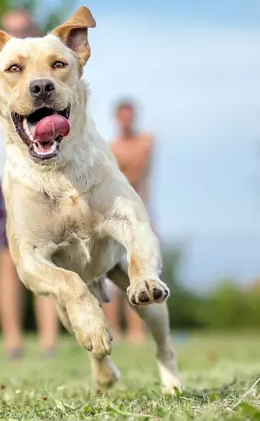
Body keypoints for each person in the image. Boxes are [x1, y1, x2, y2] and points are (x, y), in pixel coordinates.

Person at [0, 8, 60, 359]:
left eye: (23, 29)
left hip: (46, 171)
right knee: (8, 258)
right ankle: (13, 342)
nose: (17, 36)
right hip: (5, 175)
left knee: (48, 255)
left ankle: (50, 342)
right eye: (10, 31)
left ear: (35, 31)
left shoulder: (50, 71)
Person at [103, 99, 155, 346]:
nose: (127, 120)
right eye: (123, 116)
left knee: (140, 269)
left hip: (139, 209)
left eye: (130, 116)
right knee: (113, 274)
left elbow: (145, 180)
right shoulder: (111, 148)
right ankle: (115, 329)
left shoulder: (147, 142)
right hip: (115, 210)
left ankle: (137, 332)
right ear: (117, 119)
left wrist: (148, 215)